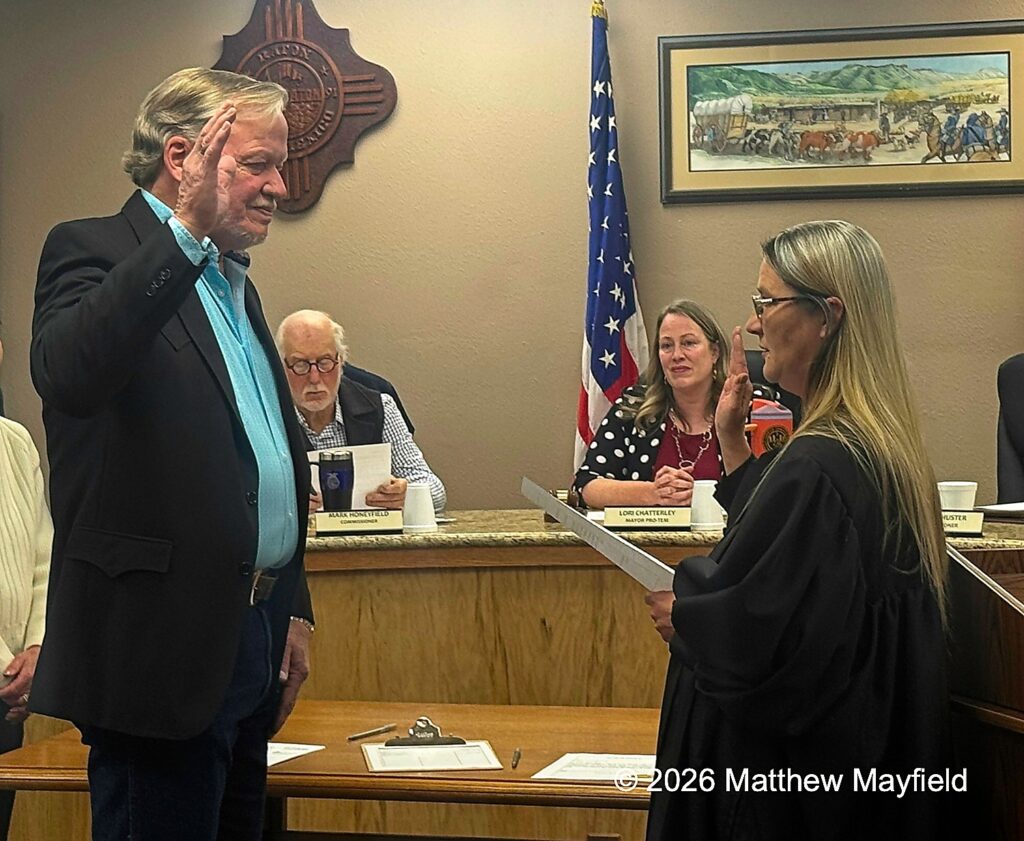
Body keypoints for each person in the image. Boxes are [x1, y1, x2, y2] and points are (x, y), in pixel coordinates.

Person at [30, 68, 315, 841]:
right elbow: (70, 373)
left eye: (278, 165)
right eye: (257, 164)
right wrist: (184, 231)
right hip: (157, 656)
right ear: (183, 156)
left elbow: (264, 464)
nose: (277, 187)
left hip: (251, 641)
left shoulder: (236, 283)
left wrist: (292, 602)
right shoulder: (89, 247)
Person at [644, 221, 951, 840]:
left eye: (767, 303)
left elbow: (768, 649)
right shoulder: (874, 447)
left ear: (826, 317)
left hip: (783, 797)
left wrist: (690, 615)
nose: (753, 324)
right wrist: (733, 445)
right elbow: (799, 574)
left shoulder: (817, 463)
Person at [276, 310, 446, 512]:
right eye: (300, 365)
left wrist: (408, 495)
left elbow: (435, 490)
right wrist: (281, 504)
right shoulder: (266, 415)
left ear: (341, 362)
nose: (314, 378)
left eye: (325, 362)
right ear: (280, 367)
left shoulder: (379, 406)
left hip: (368, 531)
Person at [574, 300, 728, 508]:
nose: (677, 355)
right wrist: (653, 493)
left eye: (689, 343)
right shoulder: (634, 409)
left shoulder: (746, 409)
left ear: (714, 352)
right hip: (648, 531)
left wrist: (703, 498)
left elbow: (765, 493)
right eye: (667, 346)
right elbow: (586, 485)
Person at [0, 337, 52, 840]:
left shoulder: (15, 441)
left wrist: (37, 649)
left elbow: (44, 558)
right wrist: (11, 672)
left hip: (11, 690)